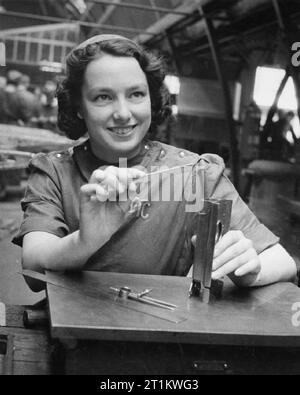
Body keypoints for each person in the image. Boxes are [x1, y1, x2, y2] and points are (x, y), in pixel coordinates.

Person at [13, 34, 297, 292]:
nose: (123, 113)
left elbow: (283, 262)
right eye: (103, 97)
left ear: (151, 99)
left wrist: (251, 270)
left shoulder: (194, 174)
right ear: (78, 106)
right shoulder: (55, 172)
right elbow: (33, 269)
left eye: (136, 94)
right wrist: (85, 240)